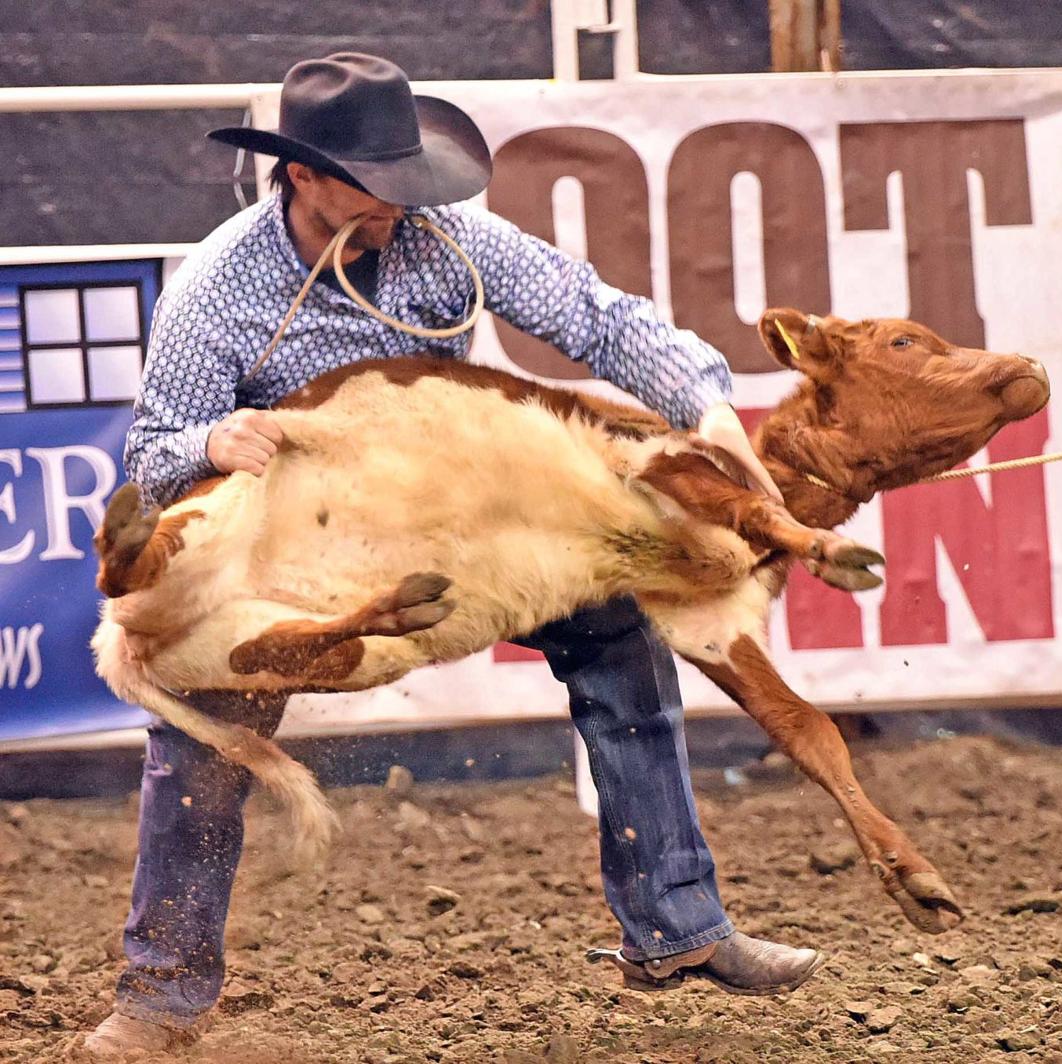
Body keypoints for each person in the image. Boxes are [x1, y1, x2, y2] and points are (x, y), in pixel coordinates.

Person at [83, 53, 825, 1058]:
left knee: (619, 626)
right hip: (291, 556)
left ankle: (677, 929)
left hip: (457, 523)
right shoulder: (215, 292)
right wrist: (211, 444)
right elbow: (155, 458)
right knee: (202, 737)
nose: (396, 203)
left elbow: (593, 313)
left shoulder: (447, 240)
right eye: (372, 183)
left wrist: (707, 403)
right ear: (300, 175)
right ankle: (159, 997)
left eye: (405, 178)